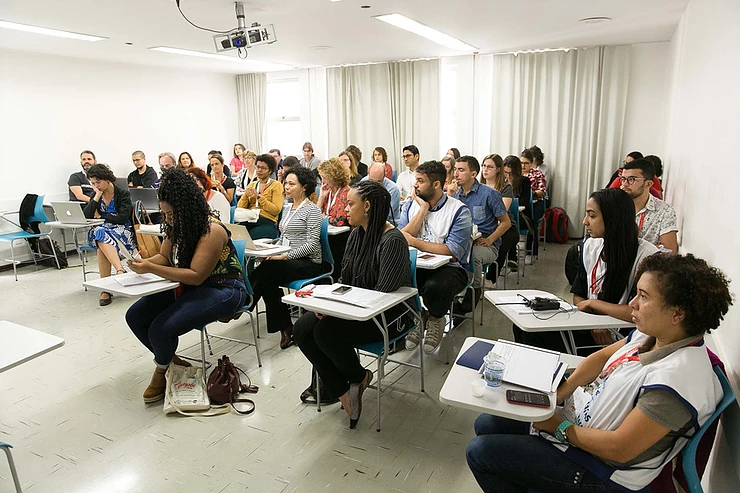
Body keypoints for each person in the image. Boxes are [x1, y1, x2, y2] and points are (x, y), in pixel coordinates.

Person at [467, 253, 731, 493]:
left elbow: (619, 449)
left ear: (677, 314)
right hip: (582, 425)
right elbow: (602, 356)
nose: (632, 304)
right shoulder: (655, 334)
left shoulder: (677, 382)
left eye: (644, 296)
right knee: (487, 422)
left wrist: (558, 427)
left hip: (603, 472)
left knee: (481, 453)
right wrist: (562, 392)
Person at [294, 180, 412, 428]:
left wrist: (337, 312)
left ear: (367, 206)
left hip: (387, 317)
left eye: (350, 203)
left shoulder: (393, 241)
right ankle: (347, 388)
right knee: (302, 330)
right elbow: (344, 280)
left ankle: (357, 378)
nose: (344, 209)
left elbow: (382, 297)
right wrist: (326, 306)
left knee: (325, 332)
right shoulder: (356, 234)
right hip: (353, 309)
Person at [125, 169, 247, 404]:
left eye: (171, 214)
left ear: (186, 207)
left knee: (160, 328)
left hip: (225, 289)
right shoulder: (176, 224)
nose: (167, 219)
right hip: (191, 285)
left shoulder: (212, 229)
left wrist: (150, 269)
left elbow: (196, 275)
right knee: (135, 316)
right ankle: (170, 360)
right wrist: (142, 263)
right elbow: (164, 258)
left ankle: (161, 370)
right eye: (164, 213)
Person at [522, 188, 659, 353]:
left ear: (613, 219)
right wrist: (592, 322)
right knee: (525, 327)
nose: (584, 221)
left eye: (592, 216)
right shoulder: (590, 247)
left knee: (536, 336)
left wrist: (595, 305)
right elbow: (579, 294)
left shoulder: (647, 257)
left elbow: (639, 311)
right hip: (591, 325)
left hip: (623, 334)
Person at [398, 160, 472, 354]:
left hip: (452, 269)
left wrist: (415, 242)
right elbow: (400, 238)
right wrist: (422, 210)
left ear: (436, 184)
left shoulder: (459, 210)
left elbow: (453, 251)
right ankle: (417, 315)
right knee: (395, 279)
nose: (415, 185)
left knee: (434, 287)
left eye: (420, 181)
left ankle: (435, 318)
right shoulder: (410, 207)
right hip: (418, 264)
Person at [248, 166, 324, 350]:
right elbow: (283, 235)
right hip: (287, 258)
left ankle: (244, 301)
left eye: (291, 184)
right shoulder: (288, 207)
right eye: (286, 183)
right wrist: (272, 250)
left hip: (309, 262)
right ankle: (286, 328)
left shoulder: (312, 210)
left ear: (304, 187)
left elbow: (313, 245)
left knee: (268, 271)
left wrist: (285, 256)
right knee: (268, 277)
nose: (286, 187)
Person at [452, 156, 511, 301]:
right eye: (455, 169)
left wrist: (490, 240)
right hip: (462, 241)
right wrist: (449, 197)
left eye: (461, 170)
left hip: (485, 244)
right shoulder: (455, 194)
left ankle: (473, 292)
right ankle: (454, 292)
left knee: (473, 256)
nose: (455, 174)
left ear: (473, 174)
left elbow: (505, 222)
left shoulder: (489, 194)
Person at [82, 164, 135, 306]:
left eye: (98, 182)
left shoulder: (123, 194)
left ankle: (105, 289)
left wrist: (102, 217)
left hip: (123, 230)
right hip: (104, 231)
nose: (96, 186)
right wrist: (97, 196)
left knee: (100, 238)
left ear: (107, 179)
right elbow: (87, 216)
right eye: (93, 183)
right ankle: (119, 270)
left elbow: (123, 218)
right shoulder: (96, 194)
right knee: (100, 234)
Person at [619, 158, 678, 253]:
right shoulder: (615, 205)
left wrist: (634, 250)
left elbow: (669, 250)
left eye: (631, 179)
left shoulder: (664, 211)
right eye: (623, 179)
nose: (624, 184)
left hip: (645, 266)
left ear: (648, 184)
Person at [481, 154, 518, 279]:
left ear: (498, 169)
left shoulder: (505, 187)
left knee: (502, 243)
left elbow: (502, 211)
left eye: (490, 167)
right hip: (483, 226)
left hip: (505, 227)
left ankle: (491, 278)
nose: (485, 169)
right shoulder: (477, 186)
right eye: (484, 166)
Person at [237, 154, 284, 239]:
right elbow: (240, 208)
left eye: (263, 168)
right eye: (257, 167)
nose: (259, 170)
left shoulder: (276, 185)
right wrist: (245, 195)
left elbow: (276, 210)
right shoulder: (252, 184)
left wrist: (259, 197)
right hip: (249, 219)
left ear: (270, 171)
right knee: (235, 235)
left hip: (266, 221)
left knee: (250, 238)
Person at [520, 148, 546, 263]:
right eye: (521, 163)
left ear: (531, 163)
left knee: (532, 221)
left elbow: (542, 191)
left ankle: (531, 252)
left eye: (526, 163)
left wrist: (531, 194)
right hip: (520, 203)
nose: (523, 166)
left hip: (535, 203)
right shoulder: (514, 174)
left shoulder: (537, 174)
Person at [317, 158, 351, 227]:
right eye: (321, 178)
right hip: (327, 230)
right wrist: (321, 197)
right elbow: (314, 217)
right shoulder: (328, 192)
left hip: (342, 234)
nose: (323, 181)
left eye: (325, 178)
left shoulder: (346, 192)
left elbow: (339, 221)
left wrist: (324, 218)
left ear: (335, 177)